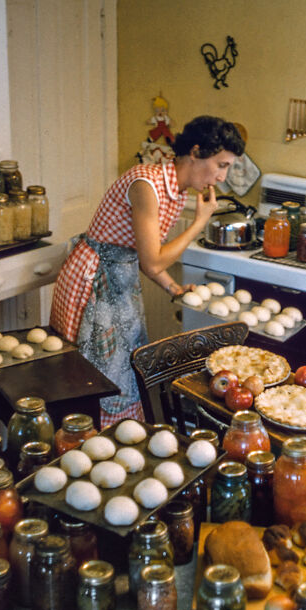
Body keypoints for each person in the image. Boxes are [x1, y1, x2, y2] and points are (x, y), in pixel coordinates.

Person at [49, 115, 245, 425]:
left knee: (125, 370)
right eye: (221, 165)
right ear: (196, 152)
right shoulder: (146, 184)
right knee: (96, 374)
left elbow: (144, 258)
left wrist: (173, 288)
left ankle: (117, 447)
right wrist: (199, 223)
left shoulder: (176, 193)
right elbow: (154, 260)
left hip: (120, 279)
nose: (222, 177)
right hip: (93, 279)